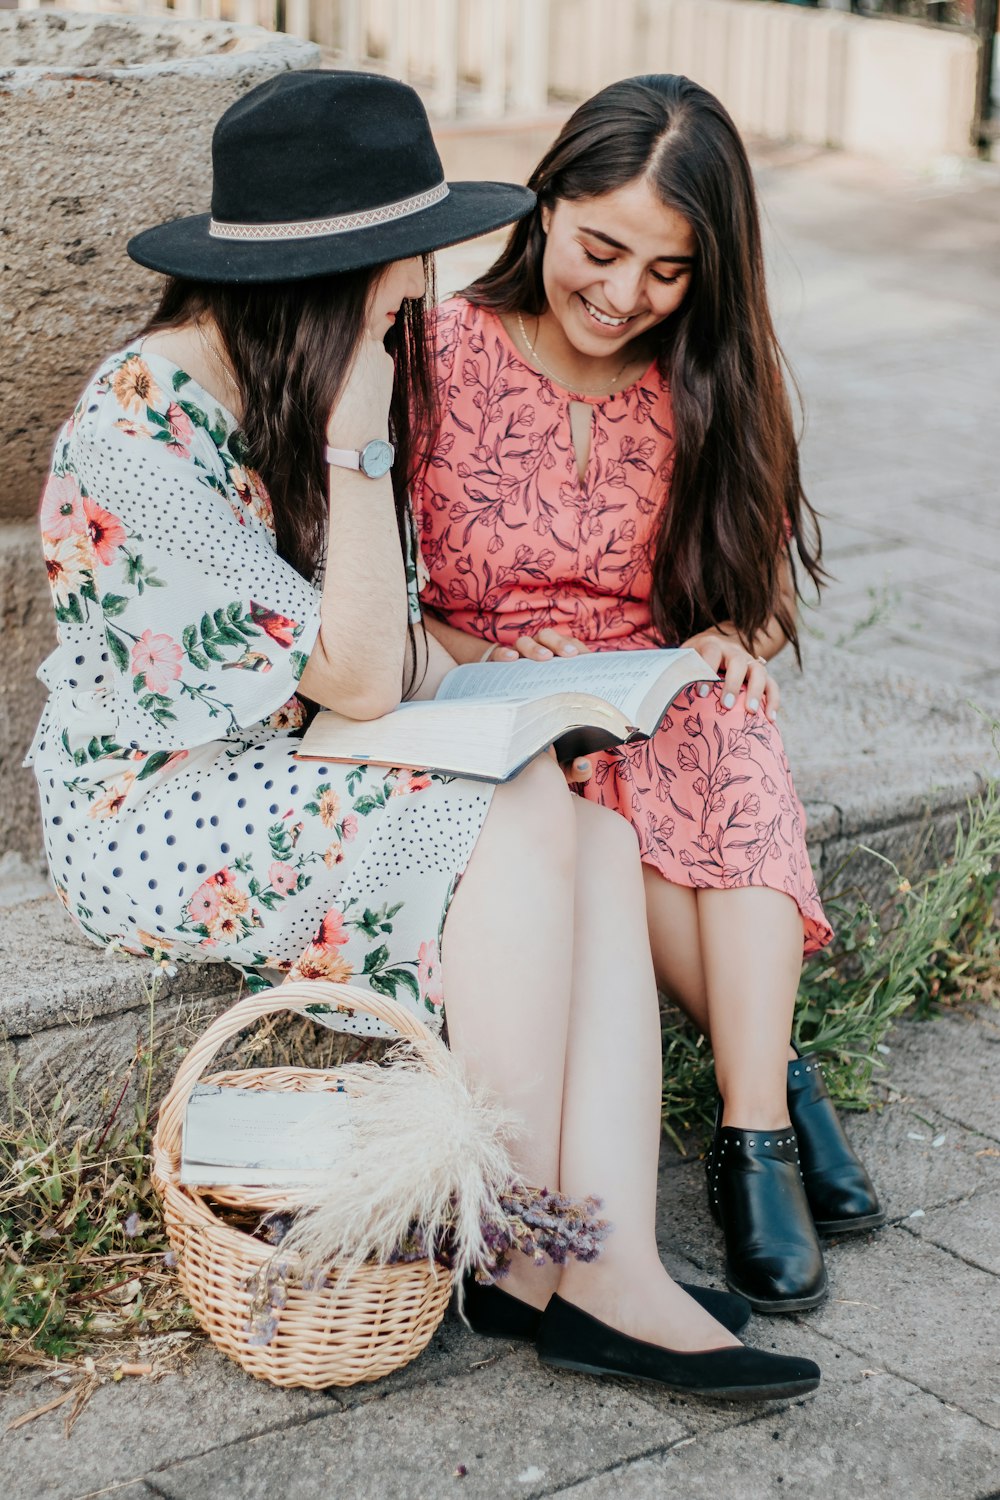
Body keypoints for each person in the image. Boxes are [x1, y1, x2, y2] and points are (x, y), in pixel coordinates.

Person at [26, 71, 818, 1400]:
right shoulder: (142, 419)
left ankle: (604, 1261)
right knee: (503, 805)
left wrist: (511, 673)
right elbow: (352, 674)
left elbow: (395, 652)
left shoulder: (309, 378)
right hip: (155, 805)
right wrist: (355, 450)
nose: (420, 321)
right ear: (333, 282)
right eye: (401, 295)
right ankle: (517, 1250)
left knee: (582, 816)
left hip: (295, 759)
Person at [412, 73, 884, 1315]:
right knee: (601, 802)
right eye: (600, 247)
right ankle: (780, 1080)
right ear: (547, 204)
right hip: (495, 695)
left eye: (665, 271)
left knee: (726, 729)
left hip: (650, 682)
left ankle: (748, 1138)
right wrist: (470, 665)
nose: (623, 296)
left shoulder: (706, 373)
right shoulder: (432, 354)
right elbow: (376, 596)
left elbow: (757, 586)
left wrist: (737, 639)